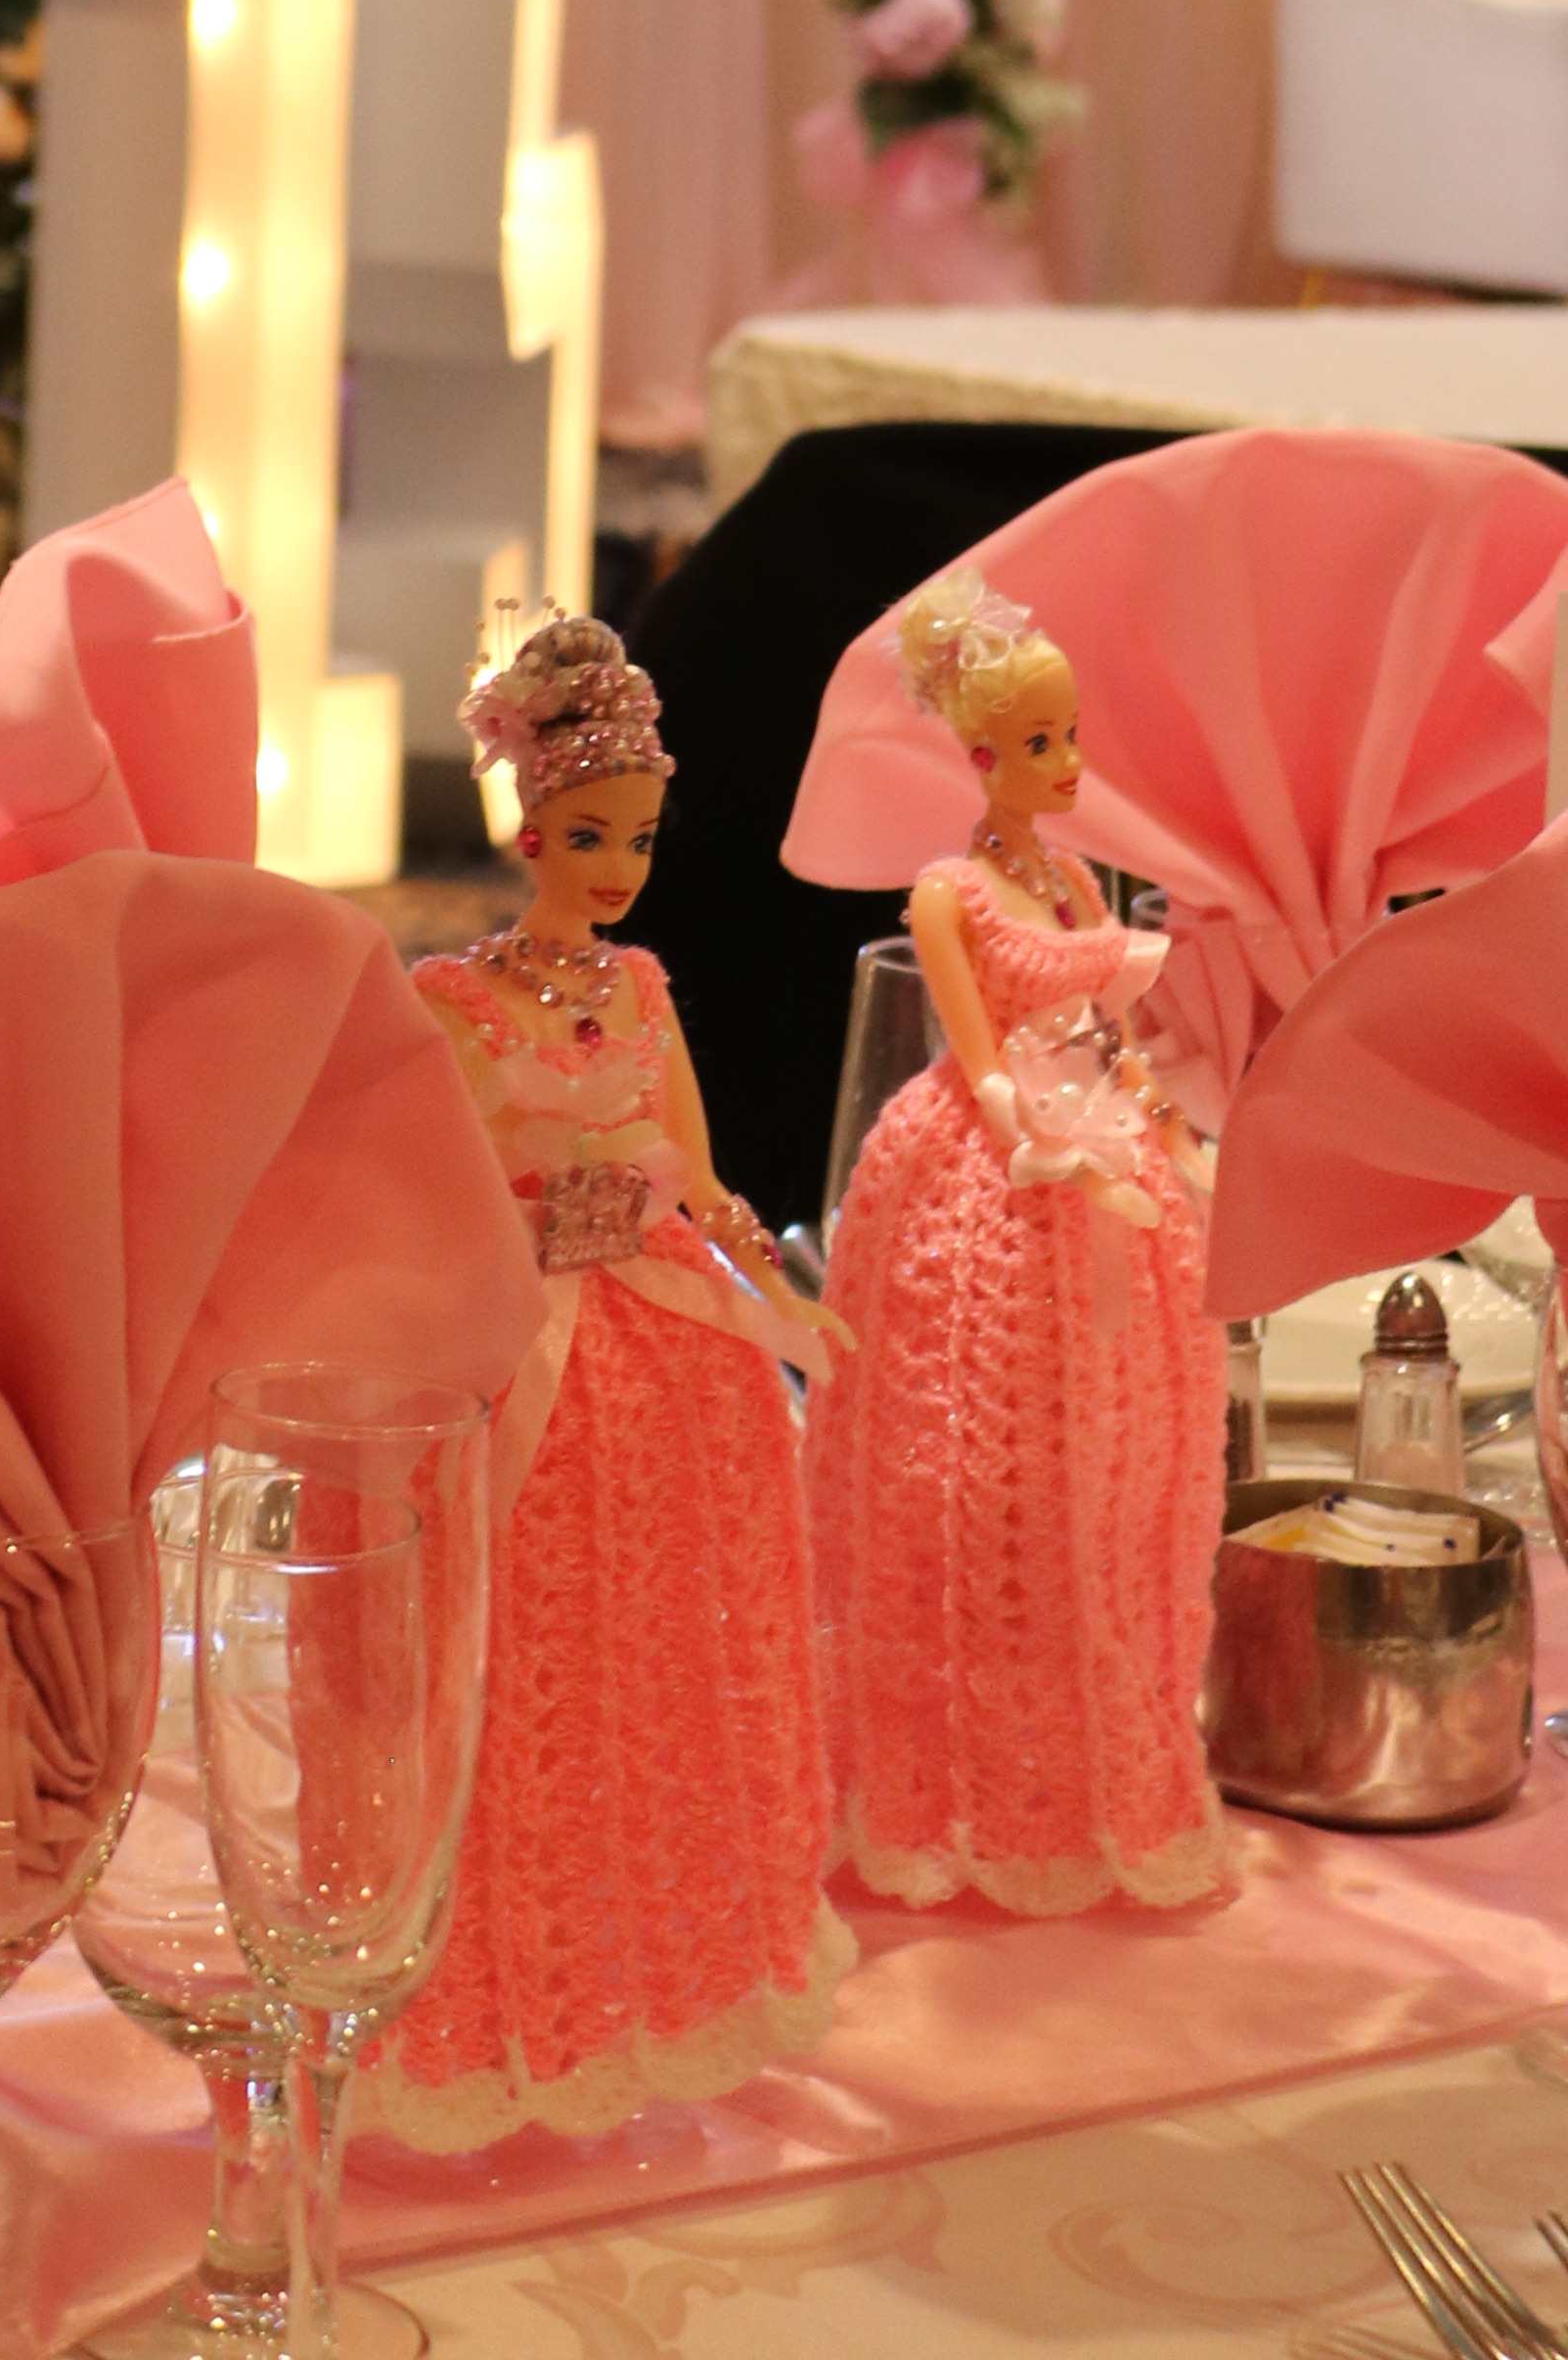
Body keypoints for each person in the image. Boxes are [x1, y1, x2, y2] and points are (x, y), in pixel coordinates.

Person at [372, 615, 848, 2151]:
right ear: (529, 826)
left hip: (669, 1358)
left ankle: (661, 1978)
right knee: (525, 1679)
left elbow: (696, 1174)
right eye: (591, 836)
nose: (621, 868)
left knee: (665, 1675)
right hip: (526, 1359)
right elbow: (428, 1198)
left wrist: (770, 1280)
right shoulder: (451, 1002)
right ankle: (501, 1999)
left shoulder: (640, 988)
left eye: (639, 838)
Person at [809, 564, 1226, 1913]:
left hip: (1098, 1146)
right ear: (981, 756)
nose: (1067, 763)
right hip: (986, 1170)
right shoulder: (951, 894)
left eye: (1071, 736)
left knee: (1114, 1465)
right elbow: (975, 1050)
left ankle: (1097, 1759)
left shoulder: (1078, 878)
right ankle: (954, 1779)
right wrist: (1028, 1132)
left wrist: (1157, 1118)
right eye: (1041, 742)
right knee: (966, 1466)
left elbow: (1111, 1024)